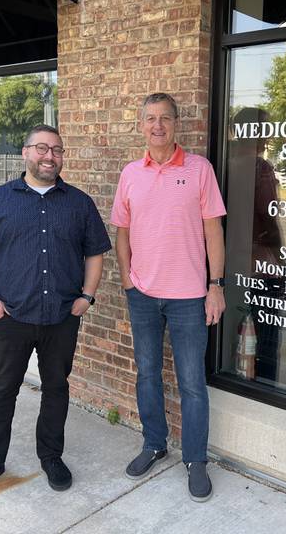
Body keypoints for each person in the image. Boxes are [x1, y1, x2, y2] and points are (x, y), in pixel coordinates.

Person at [0, 124, 111, 498]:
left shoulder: (79, 203)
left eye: (56, 150)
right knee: (3, 388)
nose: (49, 156)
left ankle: (51, 456)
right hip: (11, 317)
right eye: (41, 148)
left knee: (56, 388)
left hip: (61, 317)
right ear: (25, 153)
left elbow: (94, 253)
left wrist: (87, 297)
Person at [111, 93, 227, 502]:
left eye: (165, 118)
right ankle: (154, 443)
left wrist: (216, 285)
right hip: (142, 294)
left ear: (176, 124)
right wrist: (127, 279)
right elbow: (122, 231)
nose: (157, 125)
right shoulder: (130, 173)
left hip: (189, 297)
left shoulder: (199, 170)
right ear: (141, 125)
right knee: (147, 374)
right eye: (150, 119)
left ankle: (196, 459)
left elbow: (214, 231)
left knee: (192, 382)